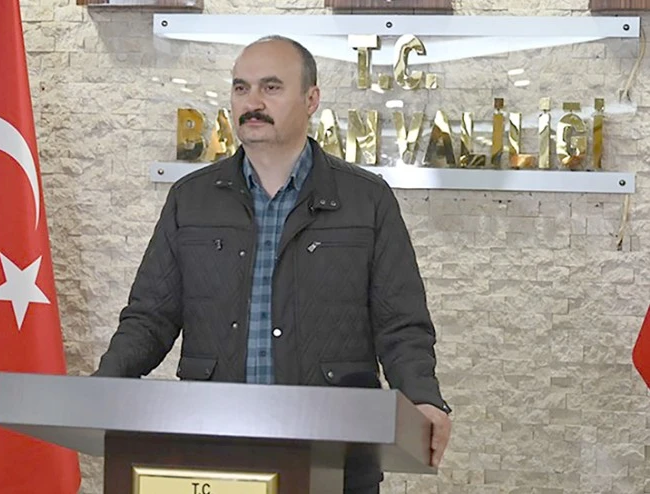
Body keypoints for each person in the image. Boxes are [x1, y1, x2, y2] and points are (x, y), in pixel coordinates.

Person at [93, 35, 451, 494]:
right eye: (241, 88)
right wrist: (105, 385)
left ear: (311, 99)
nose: (253, 102)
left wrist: (422, 396)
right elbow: (150, 317)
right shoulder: (191, 200)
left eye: (271, 87)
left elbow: (401, 323)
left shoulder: (367, 199)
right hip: (213, 454)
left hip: (335, 455)